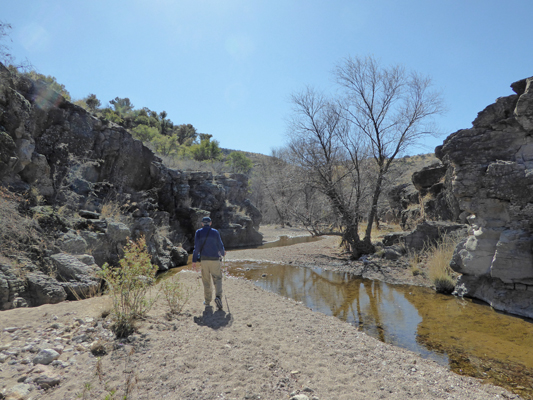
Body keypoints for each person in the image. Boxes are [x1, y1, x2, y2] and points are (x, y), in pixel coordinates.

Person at [192, 216, 226, 310]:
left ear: (202, 223)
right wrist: (223, 253)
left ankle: (207, 301)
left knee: (206, 281)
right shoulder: (215, 232)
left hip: (204, 260)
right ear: (210, 223)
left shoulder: (198, 232)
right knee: (218, 279)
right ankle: (218, 298)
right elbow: (220, 245)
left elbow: (196, 248)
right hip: (215, 259)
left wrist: (194, 261)